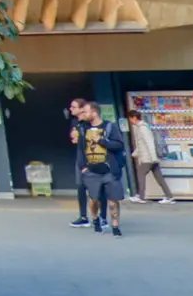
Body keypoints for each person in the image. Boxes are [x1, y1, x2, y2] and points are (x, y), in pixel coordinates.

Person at [77, 101, 127, 236]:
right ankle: (95, 219)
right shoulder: (83, 129)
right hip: (91, 171)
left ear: (94, 112)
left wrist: (101, 141)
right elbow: (81, 149)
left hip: (109, 170)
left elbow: (119, 145)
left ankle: (115, 226)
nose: (83, 114)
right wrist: (82, 167)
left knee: (113, 199)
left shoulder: (110, 127)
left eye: (85, 111)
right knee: (93, 199)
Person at [126, 110, 175, 204]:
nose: (130, 121)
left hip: (148, 158)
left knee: (140, 174)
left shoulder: (143, 128)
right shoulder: (141, 127)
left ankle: (141, 196)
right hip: (150, 157)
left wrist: (153, 158)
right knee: (159, 177)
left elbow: (149, 143)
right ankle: (169, 196)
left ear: (134, 118)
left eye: (130, 118)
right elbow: (142, 145)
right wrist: (134, 154)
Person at [66, 98, 93, 227]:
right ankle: (83, 216)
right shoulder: (74, 122)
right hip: (80, 157)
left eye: (74, 107)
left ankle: (100, 217)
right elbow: (73, 139)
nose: (71, 109)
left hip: (93, 157)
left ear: (82, 108)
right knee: (80, 187)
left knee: (95, 187)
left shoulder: (89, 123)